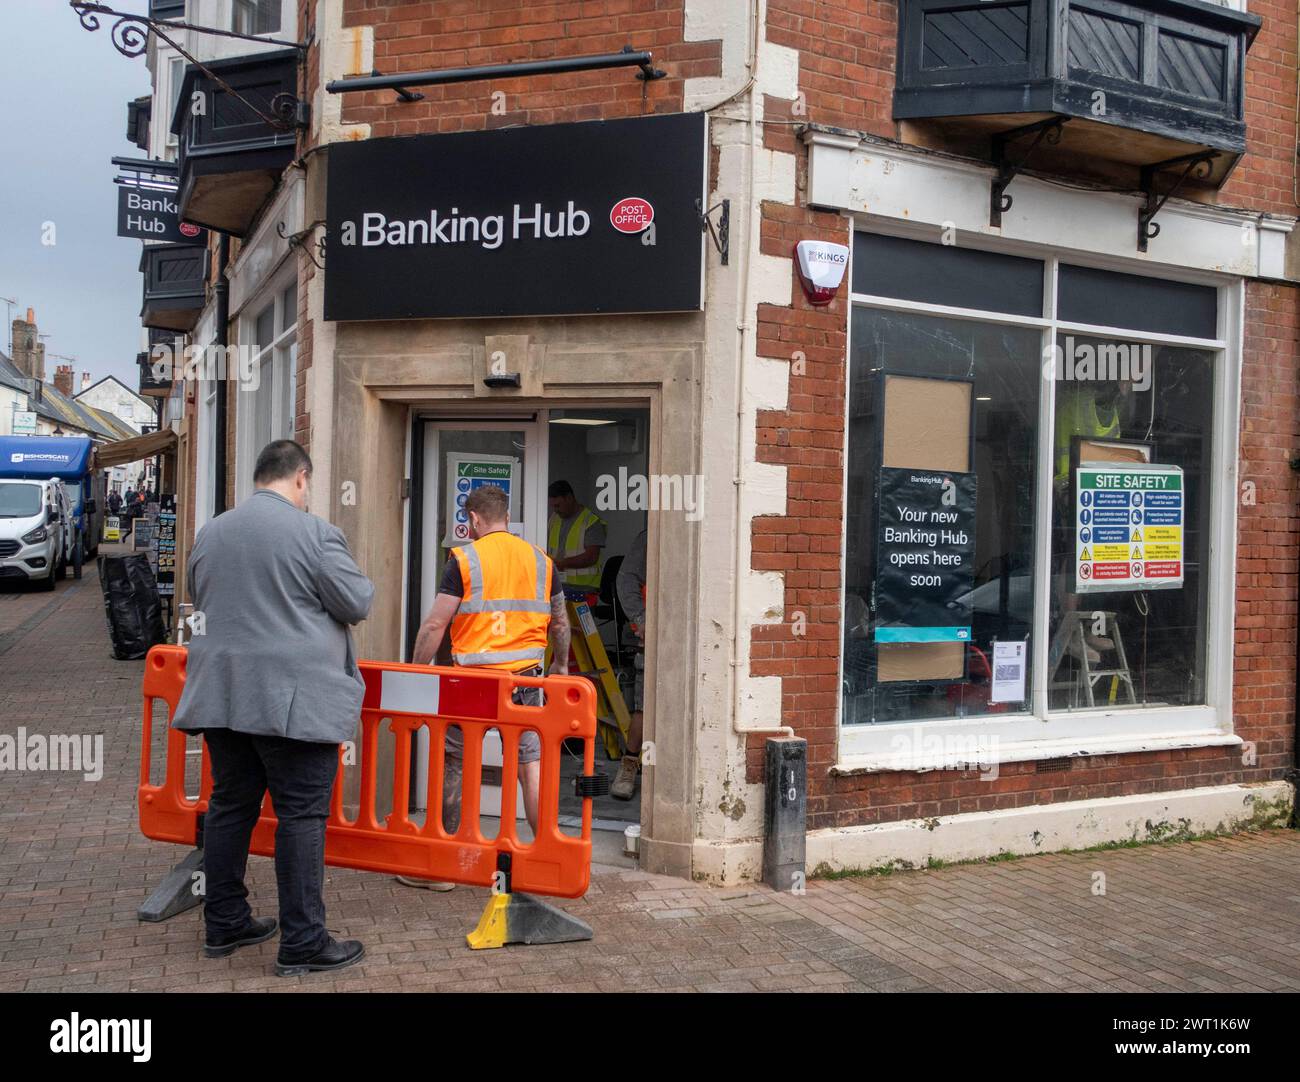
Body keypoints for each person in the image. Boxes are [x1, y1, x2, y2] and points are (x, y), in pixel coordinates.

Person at [172, 439, 374, 977]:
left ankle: (225, 922)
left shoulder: (211, 532)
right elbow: (357, 602)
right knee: (302, 816)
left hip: (222, 694)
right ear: (301, 478)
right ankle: (304, 942)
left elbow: (201, 596)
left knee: (230, 807)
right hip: (292, 702)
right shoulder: (315, 534)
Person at [402, 484, 570, 891]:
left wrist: (414, 672)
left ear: (474, 519)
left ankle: (443, 870)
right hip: (526, 681)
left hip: (473, 684)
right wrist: (560, 666)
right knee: (530, 765)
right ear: (507, 517)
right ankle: (547, 859)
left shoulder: (463, 560)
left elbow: (434, 625)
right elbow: (561, 623)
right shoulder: (541, 561)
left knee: (456, 764)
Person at [612, 528, 647, 800]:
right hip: (654, 638)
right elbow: (626, 579)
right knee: (643, 708)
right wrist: (641, 619)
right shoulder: (649, 537)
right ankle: (629, 767)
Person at [546, 479, 606, 593]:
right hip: (558, 585)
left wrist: (563, 564)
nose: (555, 510)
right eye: (553, 506)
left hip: (584, 589)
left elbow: (591, 557)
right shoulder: (554, 518)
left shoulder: (591, 521)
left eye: (558, 505)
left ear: (569, 498)